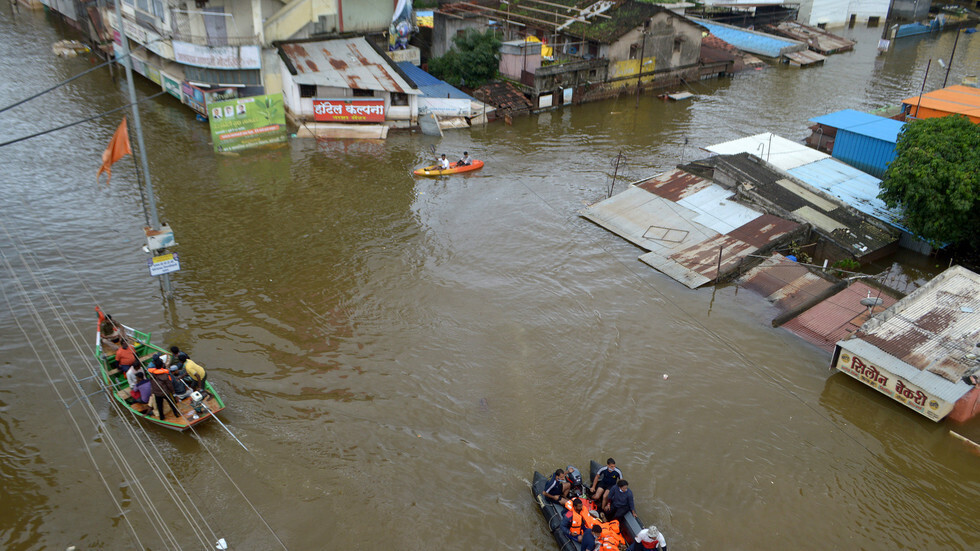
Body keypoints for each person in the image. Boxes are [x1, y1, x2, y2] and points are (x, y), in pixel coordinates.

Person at [147, 355, 180, 421]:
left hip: (157, 393)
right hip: (165, 392)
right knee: (172, 403)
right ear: (162, 366)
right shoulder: (165, 375)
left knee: (160, 406)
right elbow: (169, 385)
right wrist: (174, 393)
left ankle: (162, 417)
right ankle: (176, 414)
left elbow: (152, 383)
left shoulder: (152, 374)